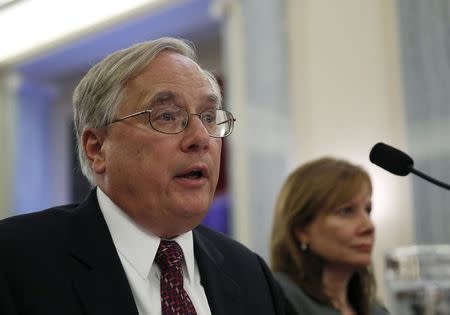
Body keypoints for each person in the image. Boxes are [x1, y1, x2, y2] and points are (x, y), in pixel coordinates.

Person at [0, 37, 286, 315]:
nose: (201, 137)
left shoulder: (250, 274)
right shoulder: (15, 261)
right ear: (97, 148)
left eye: (209, 117)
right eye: (166, 116)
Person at [270, 157, 389, 315]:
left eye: (368, 210)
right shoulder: (277, 298)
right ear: (302, 230)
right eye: (346, 211)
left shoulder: (375, 310)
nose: (369, 226)